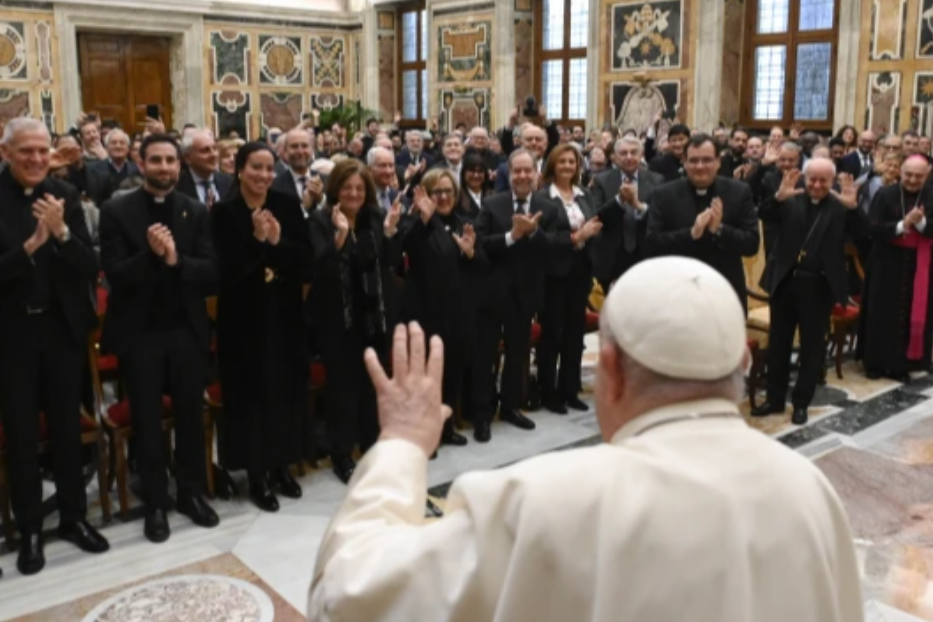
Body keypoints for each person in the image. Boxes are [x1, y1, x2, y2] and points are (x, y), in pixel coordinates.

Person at [308, 257, 864, 622]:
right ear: (742, 361)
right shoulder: (810, 492)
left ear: (612, 368)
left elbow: (346, 596)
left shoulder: (538, 502)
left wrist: (403, 443)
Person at [0, 118, 108, 576]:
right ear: (6, 153)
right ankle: (29, 532)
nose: (37, 160)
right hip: (12, 336)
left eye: (43, 152)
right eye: (27, 151)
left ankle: (72, 518)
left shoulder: (63, 196)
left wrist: (62, 234)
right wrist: (30, 246)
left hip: (61, 332)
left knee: (66, 430)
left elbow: (89, 265)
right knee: (23, 437)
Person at [99, 133, 220, 543]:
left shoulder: (193, 211)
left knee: (189, 416)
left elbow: (208, 270)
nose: (164, 168)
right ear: (141, 162)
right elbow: (114, 274)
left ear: (179, 165)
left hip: (185, 330)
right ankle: (155, 503)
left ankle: (190, 492)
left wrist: (174, 259)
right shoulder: (116, 211)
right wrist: (151, 255)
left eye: (171, 160)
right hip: (141, 335)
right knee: (148, 423)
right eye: (156, 160)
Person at [210, 142, 313, 511]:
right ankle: (255, 473)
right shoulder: (224, 213)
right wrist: (256, 243)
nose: (264, 175)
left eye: (270, 168)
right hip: (243, 319)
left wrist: (275, 242)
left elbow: (305, 260)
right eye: (256, 167)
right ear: (239, 170)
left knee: (283, 390)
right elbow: (227, 273)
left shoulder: (285, 206)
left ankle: (281, 464)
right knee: (251, 396)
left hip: (283, 314)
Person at [305, 159, 402, 483]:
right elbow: (320, 270)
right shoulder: (320, 221)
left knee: (372, 382)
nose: (354, 193)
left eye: (360, 188)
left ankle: (371, 443)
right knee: (342, 388)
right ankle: (342, 453)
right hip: (336, 317)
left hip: (373, 314)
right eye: (347, 188)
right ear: (335, 190)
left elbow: (388, 263)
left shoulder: (374, 217)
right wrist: (341, 237)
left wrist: (389, 233)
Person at [752, 160, 865, 424]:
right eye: (812, 179)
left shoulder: (841, 207)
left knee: (812, 348)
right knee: (779, 344)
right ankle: (775, 400)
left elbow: (864, 235)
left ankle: (801, 403)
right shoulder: (790, 199)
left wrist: (854, 209)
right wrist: (777, 198)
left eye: (823, 180)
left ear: (832, 181)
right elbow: (763, 214)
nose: (816, 185)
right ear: (805, 178)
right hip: (785, 282)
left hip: (819, 287)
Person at [399, 168, 488, 446]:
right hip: (425, 310)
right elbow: (415, 250)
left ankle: (446, 427)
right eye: (437, 192)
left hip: (458, 311)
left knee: (452, 371)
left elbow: (482, 265)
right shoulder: (414, 224)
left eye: (449, 191)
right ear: (425, 193)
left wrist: (471, 253)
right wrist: (430, 221)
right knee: (426, 375)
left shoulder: (465, 222)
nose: (444, 197)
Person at [474, 149, 557, 442]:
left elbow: (554, 252)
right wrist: (512, 236)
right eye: (517, 171)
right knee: (485, 357)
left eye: (527, 170)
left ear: (536, 173)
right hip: (492, 295)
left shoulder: (548, 207)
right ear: (509, 173)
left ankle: (510, 407)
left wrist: (533, 233)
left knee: (517, 354)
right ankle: (483, 415)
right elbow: (481, 245)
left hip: (525, 295)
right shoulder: (492, 205)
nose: (522, 176)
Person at [645, 134, 759, 314]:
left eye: (706, 160)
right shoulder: (664, 194)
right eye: (694, 160)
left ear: (718, 161)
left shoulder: (739, 192)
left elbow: (752, 244)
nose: (700, 167)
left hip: (725, 293)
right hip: (678, 295)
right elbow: (652, 243)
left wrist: (719, 229)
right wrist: (691, 233)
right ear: (684, 162)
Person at [535, 145, 601, 414]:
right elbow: (542, 239)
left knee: (574, 335)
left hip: (580, 272)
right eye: (561, 161)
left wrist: (589, 237)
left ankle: (570, 389)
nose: (566, 166)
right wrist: (577, 237)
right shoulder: (543, 197)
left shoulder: (584, 195)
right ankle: (548, 392)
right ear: (553, 165)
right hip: (553, 274)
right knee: (552, 334)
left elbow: (595, 224)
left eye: (571, 162)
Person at [861, 156, 933, 380]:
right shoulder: (885, 194)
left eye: (918, 176)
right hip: (887, 262)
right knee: (881, 312)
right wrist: (904, 225)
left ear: (926, 175)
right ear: (901, 172)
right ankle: (874, 363)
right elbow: (872, 228)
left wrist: (920, 223)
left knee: (910, 313)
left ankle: (901, 365)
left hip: (918, 264)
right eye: (908, 174)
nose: (912, 180)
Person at [590, 136, 663, 293]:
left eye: (633, 152)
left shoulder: (657, 180)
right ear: (615, 157)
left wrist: (638, 205)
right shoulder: (601, 180)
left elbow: (661, 218)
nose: (628, 157)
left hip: (644, 255)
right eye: (623, 153)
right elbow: (596, 216)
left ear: (641, 155)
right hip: (612, 257)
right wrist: (619, 200)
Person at [176, 130, 234, 207]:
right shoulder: (176, 185)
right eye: (205, 151)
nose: (213, 155)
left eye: (214, 148)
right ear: (188, 158)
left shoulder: (229, 182)